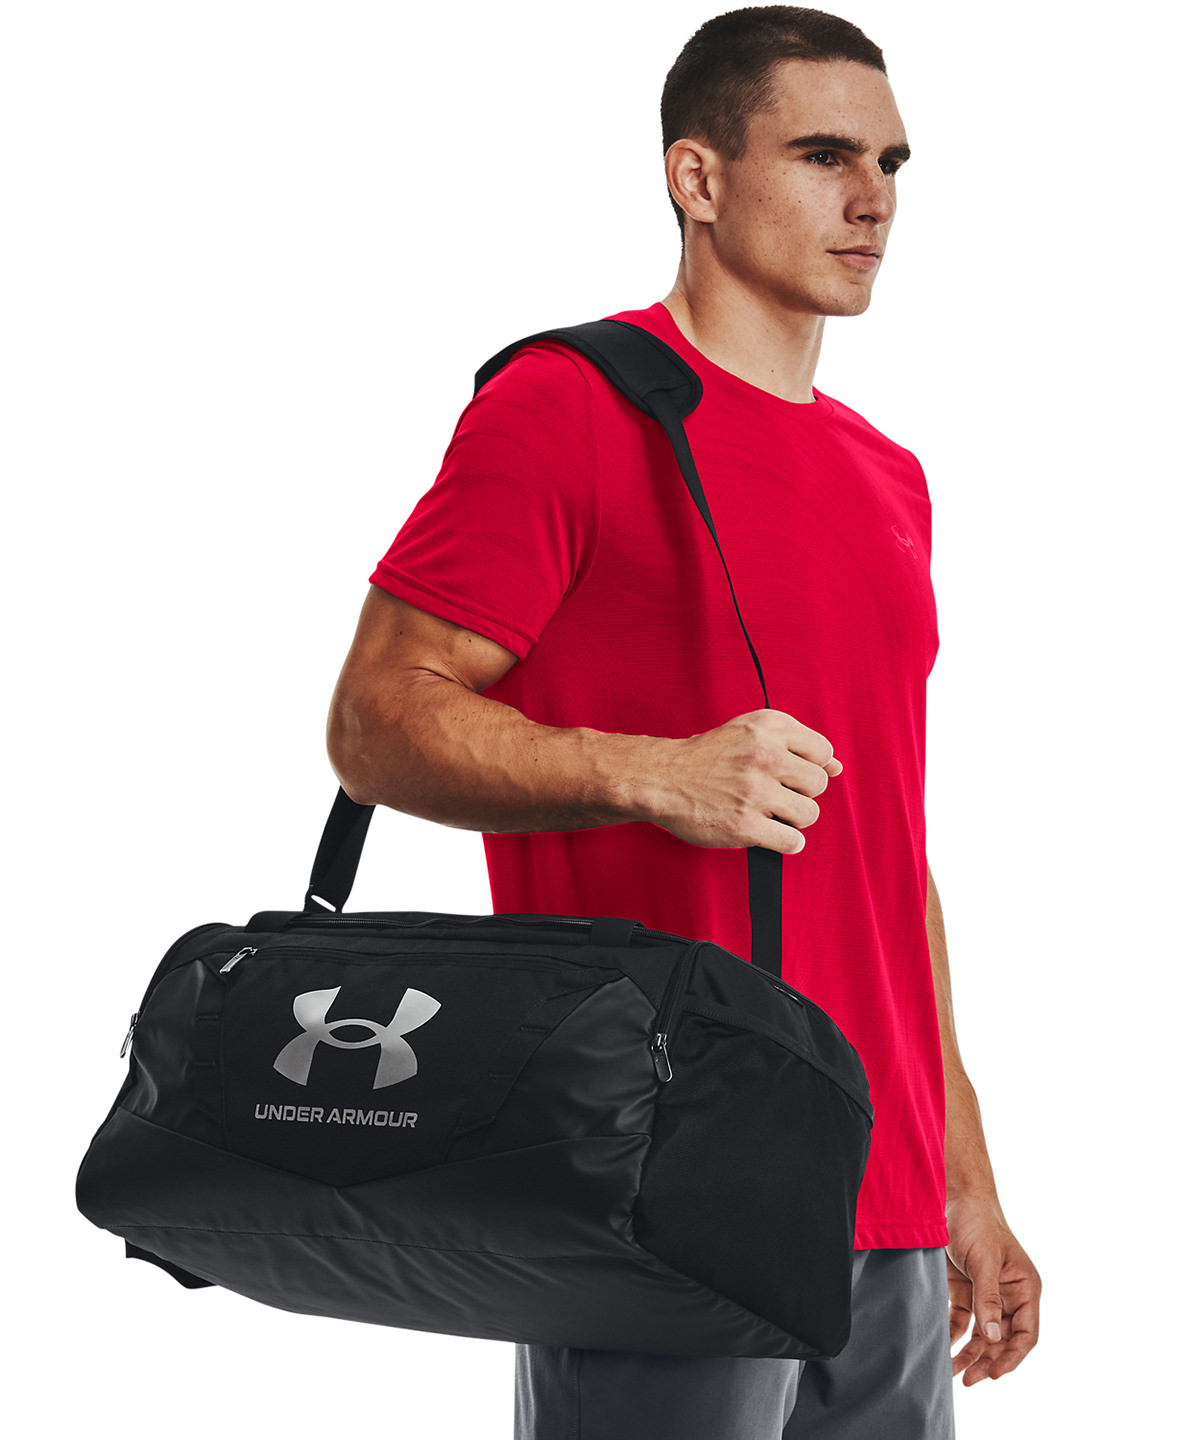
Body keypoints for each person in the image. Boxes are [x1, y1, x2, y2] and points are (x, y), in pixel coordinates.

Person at [326, 6, 1042, 1436]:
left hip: (882, 1193)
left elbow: (884, 853)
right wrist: (652, 775)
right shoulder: (570, 407)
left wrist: (962, 1169)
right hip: (657, 1175)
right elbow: (375, 720)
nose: (874, 199)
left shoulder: (888, 477)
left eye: (893, 163)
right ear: (696, 176)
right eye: (824, 154)